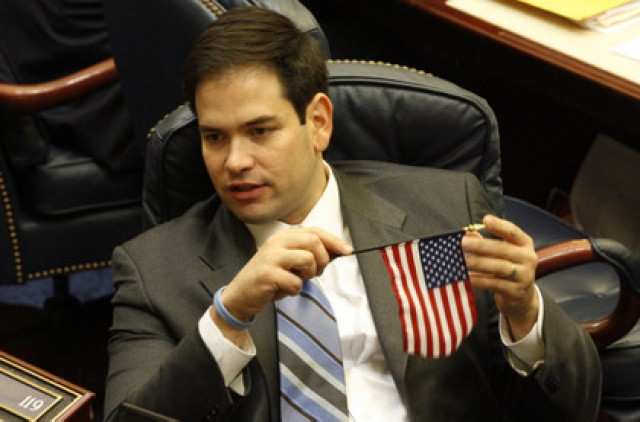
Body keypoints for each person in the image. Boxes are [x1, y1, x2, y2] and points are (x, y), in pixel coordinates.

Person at [104, 7, 601, 421]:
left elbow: (577, 402)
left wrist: (526, 314)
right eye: (215, 137)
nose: (235, 161)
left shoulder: (442, 213)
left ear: (319, 122)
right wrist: (228, 316)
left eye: (259, 131)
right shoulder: (154, 271)